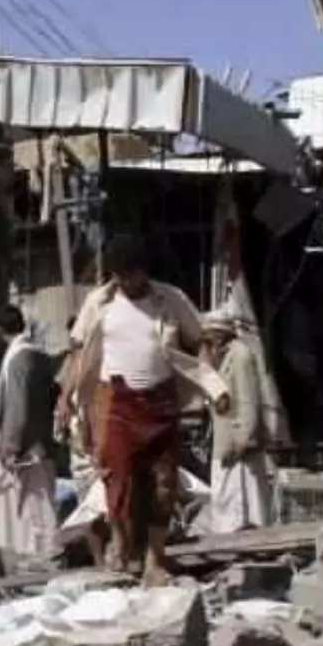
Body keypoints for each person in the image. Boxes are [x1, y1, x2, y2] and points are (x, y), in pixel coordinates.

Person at [58, 234, 229, 583]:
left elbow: (200, 342)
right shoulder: (99, 303)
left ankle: (155, 560)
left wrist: (210, 385)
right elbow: (78, 355)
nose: (126, 281)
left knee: (163, 485)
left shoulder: (171, 299)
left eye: (132, 274)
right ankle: (120, 544)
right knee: (116, 479)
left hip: (160, 403)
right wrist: (65, 399)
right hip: (116, 400)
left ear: (143, 272)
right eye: (119, 275)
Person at [0, 306, 59, 573]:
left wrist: (11, 446)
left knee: (34, 507)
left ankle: (44, 559)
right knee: (39, 505)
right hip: (41, 441)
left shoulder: (18, 359)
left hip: (27, 449)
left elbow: (18, 405)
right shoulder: (40, 356)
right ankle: (42, 557)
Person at [198, 311, 275, 534]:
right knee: (227, 496)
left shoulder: (240, 355)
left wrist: (243, 441)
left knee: (244, 497)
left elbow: (248, 399)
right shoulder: (221, 356)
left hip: (237, 439)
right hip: (224, 437)